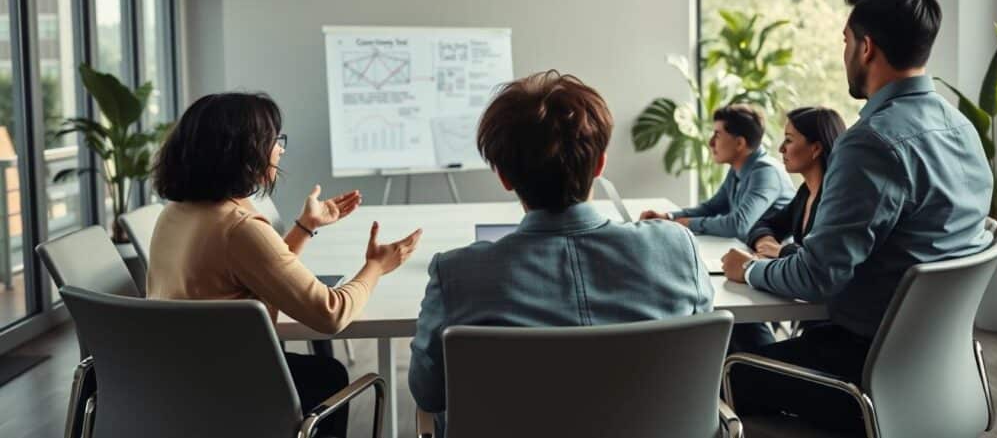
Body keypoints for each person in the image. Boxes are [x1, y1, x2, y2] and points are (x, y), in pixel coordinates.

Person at [721, 0, 993, 432]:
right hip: (939, 367)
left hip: (864, 373)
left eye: (845, 41)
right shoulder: (961, 127)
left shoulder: (871, 142)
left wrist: (747, 270)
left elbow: (817, 277)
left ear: (866, 48)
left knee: (719, 367)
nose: (843, 52)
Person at [409, 72, 714, 437]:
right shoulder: (678, 248)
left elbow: (427, 392)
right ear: (600, 165)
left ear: (504, 176)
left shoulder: (457, 274)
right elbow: (696, 367)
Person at [147, 92, 422, 438]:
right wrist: (376, 267)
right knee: (328, 376)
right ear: (244, 151)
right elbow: (330, 313)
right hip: (235, 391)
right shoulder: (238, 227)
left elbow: (255, 271)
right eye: (274, 140)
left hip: (174, 384)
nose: (280, 149)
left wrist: (306, 227)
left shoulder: (174, 215)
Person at [640, 104, 795, 240]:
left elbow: (739, 225)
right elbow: (711, 208)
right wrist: (668, 217)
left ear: (739, 143)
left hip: (774, 260)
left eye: (717, 135)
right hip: (747, 249)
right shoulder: (738, 168)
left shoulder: (766, 172)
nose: (711, 142)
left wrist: (687, 223)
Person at [746, 107, 847, 259]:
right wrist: (767, 243)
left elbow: (822, 258)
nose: (781, 149)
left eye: (789, 140)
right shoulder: (806, 192)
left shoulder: (836, 198)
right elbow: (763, 224)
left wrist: (780, 251)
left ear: (816, 148)